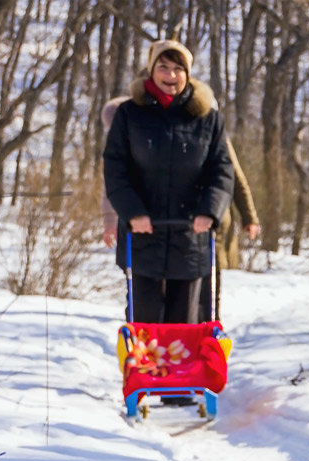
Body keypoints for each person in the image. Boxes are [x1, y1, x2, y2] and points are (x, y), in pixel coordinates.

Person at [103, 39, 234, 326]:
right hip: (142, 237)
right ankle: (143, 373)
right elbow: (115, 169)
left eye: (178, 69)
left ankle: (185, 374)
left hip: (190, 239)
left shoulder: (207, 119)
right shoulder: (129, 115)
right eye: (163, 67)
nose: (171, 76)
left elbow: (222, 170)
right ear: (151, 71)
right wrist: (133, 212)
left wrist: (208, 211)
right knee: (145, 330)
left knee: (185, 329)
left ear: (188, 74)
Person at [100, 91, 261, 321]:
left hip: (203, 229)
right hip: (150, 232)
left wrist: (248, 216)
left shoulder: (207, 128)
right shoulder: (130, 127)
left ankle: (205, 335)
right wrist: (115, 217)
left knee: (204, 298)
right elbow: (114, 182)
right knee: (149, 303)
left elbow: (230, 175)